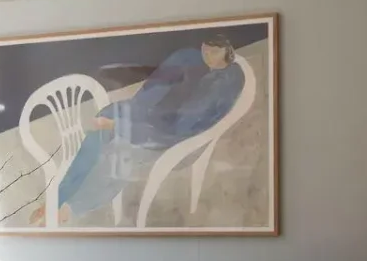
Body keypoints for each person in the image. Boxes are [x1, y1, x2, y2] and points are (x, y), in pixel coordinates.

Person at [37, 34, 245, 225]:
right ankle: (59, 198)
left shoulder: (223, 84)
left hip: (174, 138)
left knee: (117, 156)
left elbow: (178, 127)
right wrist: (123, 116)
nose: (208, 56)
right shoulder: (192, 61)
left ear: (228, 53)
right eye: (205, 50)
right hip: (156, 119)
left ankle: (72, 208)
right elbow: (150, 95)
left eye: (214, 52)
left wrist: (123, 126)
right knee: (96, 136)